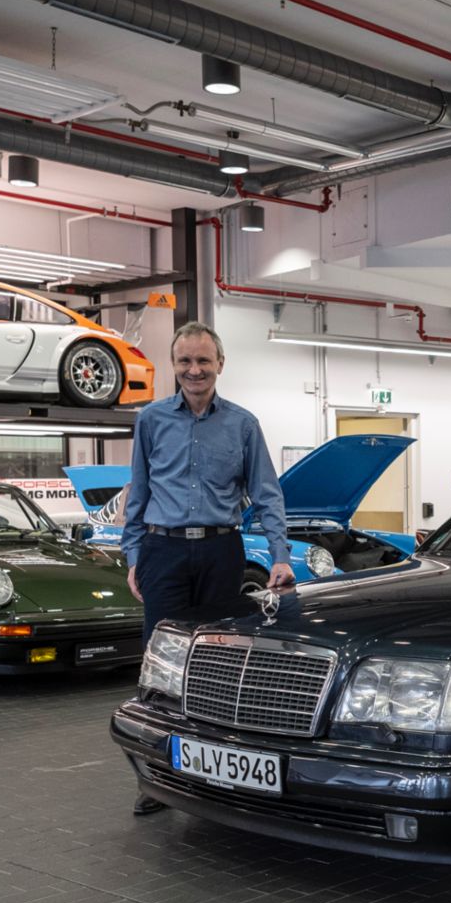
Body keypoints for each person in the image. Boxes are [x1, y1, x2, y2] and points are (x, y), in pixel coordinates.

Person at [122, 321, 295, 816]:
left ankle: (218, 770)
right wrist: (135, 557)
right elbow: (140, 491)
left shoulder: (242, 424)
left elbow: (266, 494)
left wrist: (280, 555)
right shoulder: (152, 420)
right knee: (161, 662)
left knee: (219, 664)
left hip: (222, 552)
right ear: (174, 366)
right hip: (163, 552)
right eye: (184, 362)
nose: (194, 370)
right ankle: (156, 776)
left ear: (220, 364)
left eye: (203, 361)